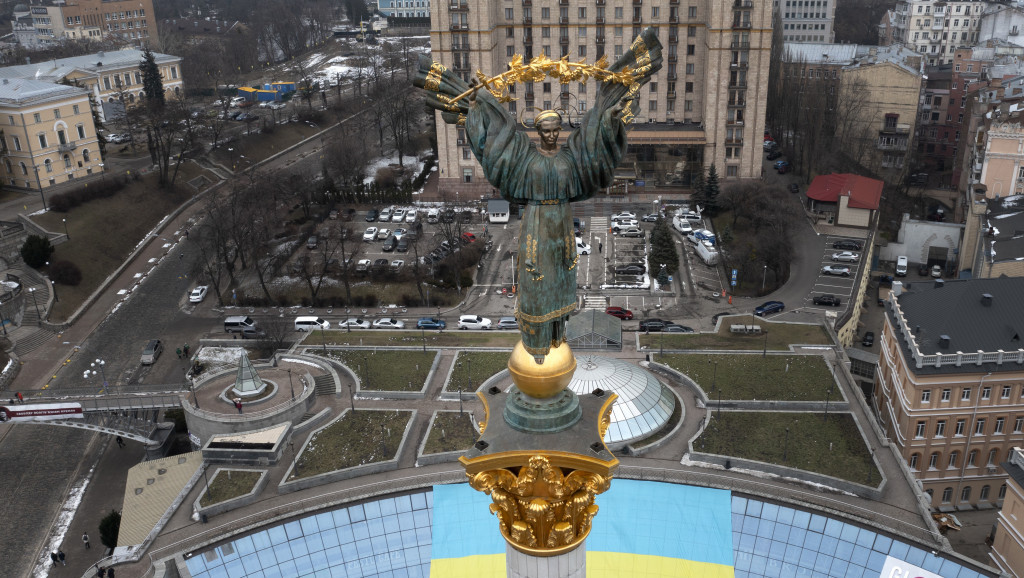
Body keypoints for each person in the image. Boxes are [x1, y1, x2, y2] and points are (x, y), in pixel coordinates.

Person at [414, 30, 662, 362]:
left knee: (562, 276)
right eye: (545, 130)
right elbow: (498, 140)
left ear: (560, 131)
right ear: (538, 131)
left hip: (560, 226)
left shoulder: (570, 159)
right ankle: (535, 342)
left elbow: (592, 141)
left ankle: (558, 331)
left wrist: (610, 121)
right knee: (534, 280)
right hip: (535, 226)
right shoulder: (525, 160)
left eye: (556, 129)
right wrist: (478, 107)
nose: (551, 134)